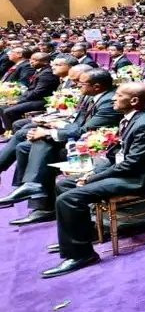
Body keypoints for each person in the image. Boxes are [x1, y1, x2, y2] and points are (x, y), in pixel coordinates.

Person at [43, 82, 145, 278]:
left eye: (118, 95)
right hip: (131, 173)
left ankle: (81, 255)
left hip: (143, 179)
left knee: (69, 198)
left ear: (134, 101)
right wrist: (93, 171)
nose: (113, 98)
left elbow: (131, 165)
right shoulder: (132, 118)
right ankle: (86, 235)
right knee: (64, 185)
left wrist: (93, 177)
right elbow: (118, 156)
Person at [0, 68, 122, 224]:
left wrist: (49, 132)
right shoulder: (90, 95)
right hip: (75, 137)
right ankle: (36, 194)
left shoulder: (108, 102)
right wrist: (53, 126)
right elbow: (76, 121)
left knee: (41, 140)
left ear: (96, 86)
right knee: (25, 144)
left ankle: (39, 197)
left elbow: (85, 130)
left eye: (80, 83)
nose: (76, 85)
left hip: (93, 147)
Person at [1, 53, 62, 131]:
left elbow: (38, 92)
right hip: (34, 98)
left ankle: (14, 132)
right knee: (2, 106)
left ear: (45, 62)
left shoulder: (47, 73)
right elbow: (31, 90)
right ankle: (7, 131)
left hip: (43, 100)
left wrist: (19, 101)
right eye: (31, 59)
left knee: (9, 111)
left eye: (35, 60)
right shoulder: (40, 70)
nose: (31, 62)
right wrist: (18, 99)